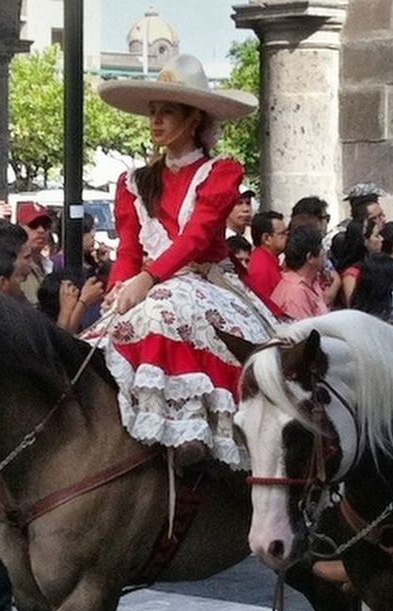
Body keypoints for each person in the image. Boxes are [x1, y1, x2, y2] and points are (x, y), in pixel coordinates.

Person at [89, 54, 274, 469]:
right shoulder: (134, 182)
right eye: (153, 113)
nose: (155, 121)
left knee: (164, 312)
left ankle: (195, 429)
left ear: (194, 119)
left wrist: (147, 279)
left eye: (166, 112)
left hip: (203, 279)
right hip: (148, 281)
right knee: (109, 331)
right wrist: (122, 285)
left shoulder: (219, 172)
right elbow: (129, 248)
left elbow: (196, 239)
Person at [272, 226, 330, 320]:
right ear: (310, 257)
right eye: (321, 249)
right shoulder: (295, 295)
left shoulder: (312, 282)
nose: (325, 253)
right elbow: (305, 332)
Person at [334, 216, 383, 306]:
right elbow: (353, 305)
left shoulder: (376, 265)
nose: (381, 239)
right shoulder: (351, 274)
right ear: (364, 241)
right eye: (376, 236)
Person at [245, 209, 287, 315]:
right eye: (283, 234)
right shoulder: (261, 269)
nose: (287, 237)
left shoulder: (268, 260)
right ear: (267, 238)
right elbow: (263, 310)